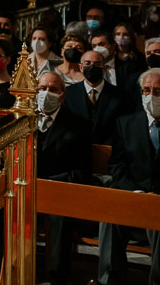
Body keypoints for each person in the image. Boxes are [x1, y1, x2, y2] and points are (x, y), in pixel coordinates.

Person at [96, 68, 160, 285]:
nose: (151, 96)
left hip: (159, 198)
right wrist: (136, 193)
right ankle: (109, 279)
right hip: (133, 193)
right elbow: (117, 165)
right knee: (112, 208)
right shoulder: (126, 123)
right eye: (147, 90)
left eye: (158, 91)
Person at [35, 70, 92, 285]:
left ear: (62, 95)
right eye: (42, 88)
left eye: (52, 89)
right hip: (26, 187)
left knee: (61, 216)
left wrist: (56, 185)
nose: (46, 93)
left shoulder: (79, 124)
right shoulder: (22, 119)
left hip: (60, 190)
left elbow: (82, 170)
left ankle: (55, 276)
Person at [62, 49, 129, 145]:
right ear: (81, 67)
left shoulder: (120, 95)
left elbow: (123, 126)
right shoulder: (68, 93)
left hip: (110, 150)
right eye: (87, 63)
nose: (92, 67)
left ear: (104, 68)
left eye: (97, 64)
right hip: (77, 150)